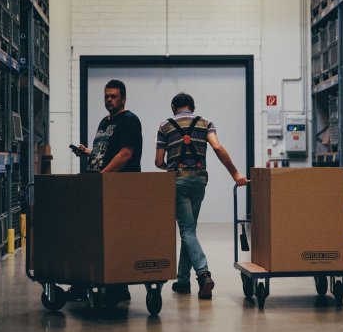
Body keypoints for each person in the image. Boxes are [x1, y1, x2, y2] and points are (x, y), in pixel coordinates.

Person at [155, 92, 248, 300]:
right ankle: (182, 281)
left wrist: (170, 165)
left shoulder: (164, 126)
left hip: (177, 181)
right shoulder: (205, 123)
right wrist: (235, 173)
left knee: (187, 231)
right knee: (190, 231)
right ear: (193, 107)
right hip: (199, 180)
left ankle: (203, 274)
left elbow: (158, 161)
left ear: (173, 108)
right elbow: (216, 146)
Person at [70, 79, 143, 301]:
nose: (109, 100)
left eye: (113, 96)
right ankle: (88, 284)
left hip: (118, 189)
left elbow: (125, 154)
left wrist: (103, 177)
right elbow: (108, 152)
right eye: (106, 96)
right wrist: (88, 152)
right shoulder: (104, 122)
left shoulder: (129, 120)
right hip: (101, 186)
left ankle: (117, 287)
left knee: (114, 239)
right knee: (94, 238)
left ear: (123, 98)